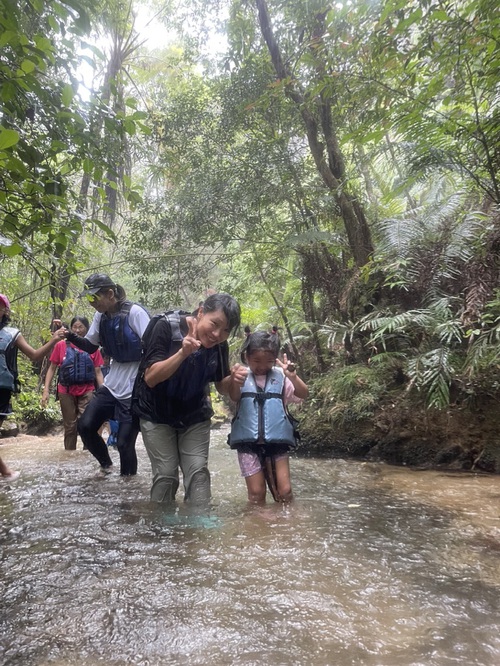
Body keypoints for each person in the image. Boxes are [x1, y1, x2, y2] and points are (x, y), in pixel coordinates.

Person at [133, 293, 242, 504]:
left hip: (194, 414)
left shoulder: (219, 344)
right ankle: (161, 531)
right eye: (215, 324)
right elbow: (151, 378)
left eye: (226, 330)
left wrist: (234, 380)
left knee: (199, 474)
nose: (218, 334)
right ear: (201, 312)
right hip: (156, 412)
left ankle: (198, 532)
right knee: (166, 475)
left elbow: (221, 386)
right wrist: (183, 352)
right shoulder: (165, 327)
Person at [65, 274, 150, 476]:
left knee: (123, 443)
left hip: (136, 385)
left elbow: (154, 347)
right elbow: (90, 345)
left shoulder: (135, 313)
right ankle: (106, 467)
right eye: (89, 299)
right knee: (85, 426)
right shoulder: (100, 316)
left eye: (95, 297)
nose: (92, 303)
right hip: (113, 381)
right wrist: (69, 336)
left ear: (110, 293)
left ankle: (127, 486)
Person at [228, 330, 308, 504]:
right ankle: (259, 527)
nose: (262, 366)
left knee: (285, 492)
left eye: (269, 362)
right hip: (248, 445)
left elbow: (303, 394)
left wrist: (293, 378)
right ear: (246, 357)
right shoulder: (241, 376)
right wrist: (234, 381)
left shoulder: (281, 376)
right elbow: (234, 397)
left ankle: (285, 526)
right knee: (257, 494)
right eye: (256, 361)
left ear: (275, 359)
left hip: (277, 444)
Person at [0, 292, 66, 482]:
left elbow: (35, 356)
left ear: (5, 311)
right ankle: (6, 472)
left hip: (2, 390)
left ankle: (6, 472)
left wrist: (53, 340)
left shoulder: (12, 334)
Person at [41, 316, 104, 450]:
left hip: (87, 390)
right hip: (66, 391)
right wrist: (46, 390)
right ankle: (69, 456)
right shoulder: (61, 345)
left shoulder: (92, 348)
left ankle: (90, 453)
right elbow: (52, 368)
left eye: (81, 327)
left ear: (87, 329)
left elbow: (98, 372)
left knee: (87, 425)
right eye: (75, 327)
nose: (77, 330)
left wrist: (104, 392)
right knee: (70, 427)